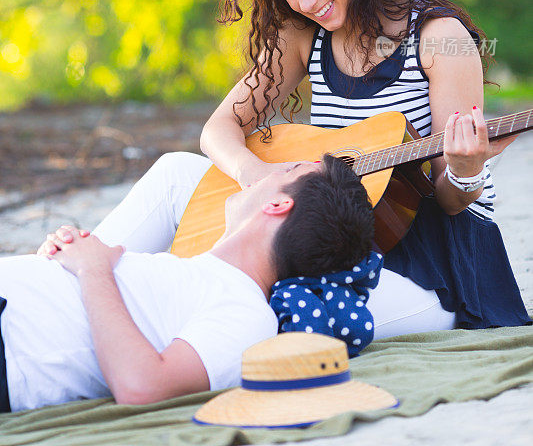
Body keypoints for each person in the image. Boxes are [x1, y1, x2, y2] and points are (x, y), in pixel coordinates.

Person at [200, 0, 529, 332]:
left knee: (274, 311)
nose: (304, 1)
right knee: (172, 176)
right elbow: (218, 128)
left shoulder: (438, 37)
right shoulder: (304, 36)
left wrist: (466, 169)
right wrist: (253, 173)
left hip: (431, 257)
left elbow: (452, 202)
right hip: (339, 237)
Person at [0, 153, 374, 412]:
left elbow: (143, 386)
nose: (268, 173)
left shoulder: (247, 314)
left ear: (278, 204)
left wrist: (92, 270)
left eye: (284, 171)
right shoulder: (200, 274)